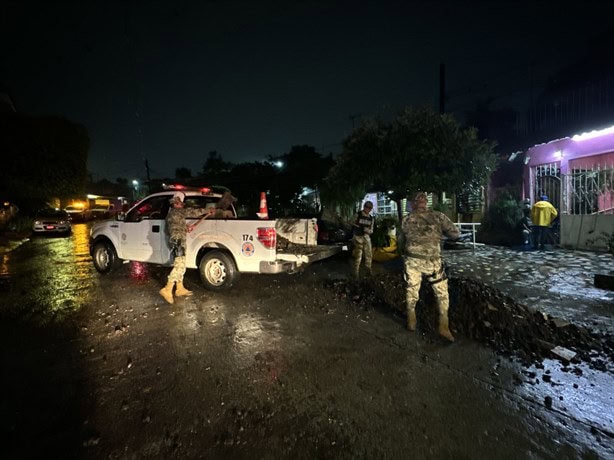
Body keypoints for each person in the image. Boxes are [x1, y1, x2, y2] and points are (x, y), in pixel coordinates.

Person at [401, 192, 460, 341]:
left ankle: (411, 321)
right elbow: (455, 234)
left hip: (412, 261)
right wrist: (439, 236)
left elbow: (403, 237)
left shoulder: (406, 219)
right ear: (426, 202)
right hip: (432, 261)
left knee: (412, 289)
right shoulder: (438, 216)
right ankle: (443, 326)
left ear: (414, 203)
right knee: (442, 293)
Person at [159, 192, 207, 304]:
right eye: (180, 203)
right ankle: (167, 289)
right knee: (179, 265)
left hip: (177, 240)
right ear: (176, 203)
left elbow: (170, 229)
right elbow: (193, 212)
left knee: (182, 263)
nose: (182, 205)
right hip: (178, 242)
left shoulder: (171, 214)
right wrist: (207, 211)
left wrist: (185, 228)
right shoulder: (177, 212)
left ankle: (179, 288)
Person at [351, 201, 374, 278]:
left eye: (369, 208)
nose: (367, 209)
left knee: (369, 254)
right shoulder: (358, 215)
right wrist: (358, 227)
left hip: (366, 237)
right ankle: (356, 272)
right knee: (358, 255)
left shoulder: (371, 218)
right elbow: (351, 223)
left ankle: (368, 270)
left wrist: (368, 231)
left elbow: (372, 230)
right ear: (364, 207)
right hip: (358, 237)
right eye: (366, 207)